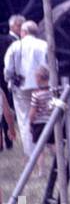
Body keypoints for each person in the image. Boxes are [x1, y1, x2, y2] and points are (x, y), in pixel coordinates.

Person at [4, 20, 48, 155]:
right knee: (45, 118)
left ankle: (31, 153)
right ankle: (47, 146)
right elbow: (52, 65)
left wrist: (10, 80)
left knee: (24, 120)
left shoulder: (15, 46)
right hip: (41, 86)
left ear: (23, 32)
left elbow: (8, 69)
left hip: (21, 87)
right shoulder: (44, 45)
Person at [27, 65, 53, 176]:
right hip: (50, 121)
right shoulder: (53, 92)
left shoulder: (36, 95)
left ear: (38, 78)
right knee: (53, 145)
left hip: (39, 124)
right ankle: (62, 162)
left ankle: (41, 171)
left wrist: (30, 121)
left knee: (39, 149)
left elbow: (33, 111)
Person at [0, 14, 21, 149]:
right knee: (5, 109)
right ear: (14, 26)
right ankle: (7, 141)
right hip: (4, 78)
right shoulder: (7, 41)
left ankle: (6, 142)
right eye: (20, 26)